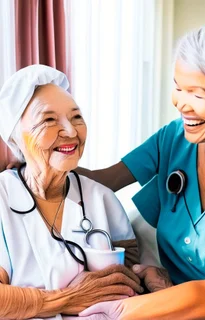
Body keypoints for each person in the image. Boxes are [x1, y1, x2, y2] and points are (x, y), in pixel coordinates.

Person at [77, 22, 205, 319]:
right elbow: (101, 181)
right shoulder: (174, 138)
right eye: (177, 87)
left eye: (197, 95)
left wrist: (124, 309)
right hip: (168, 300)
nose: (182, 105)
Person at [0, 64, 144, 320]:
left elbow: (131, 278)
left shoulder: (102, 198)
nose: (70, 131)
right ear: (15, 138)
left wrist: (147, 275)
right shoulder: (3, 197)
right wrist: (68, 299)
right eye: (49, 119)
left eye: (76, 117)